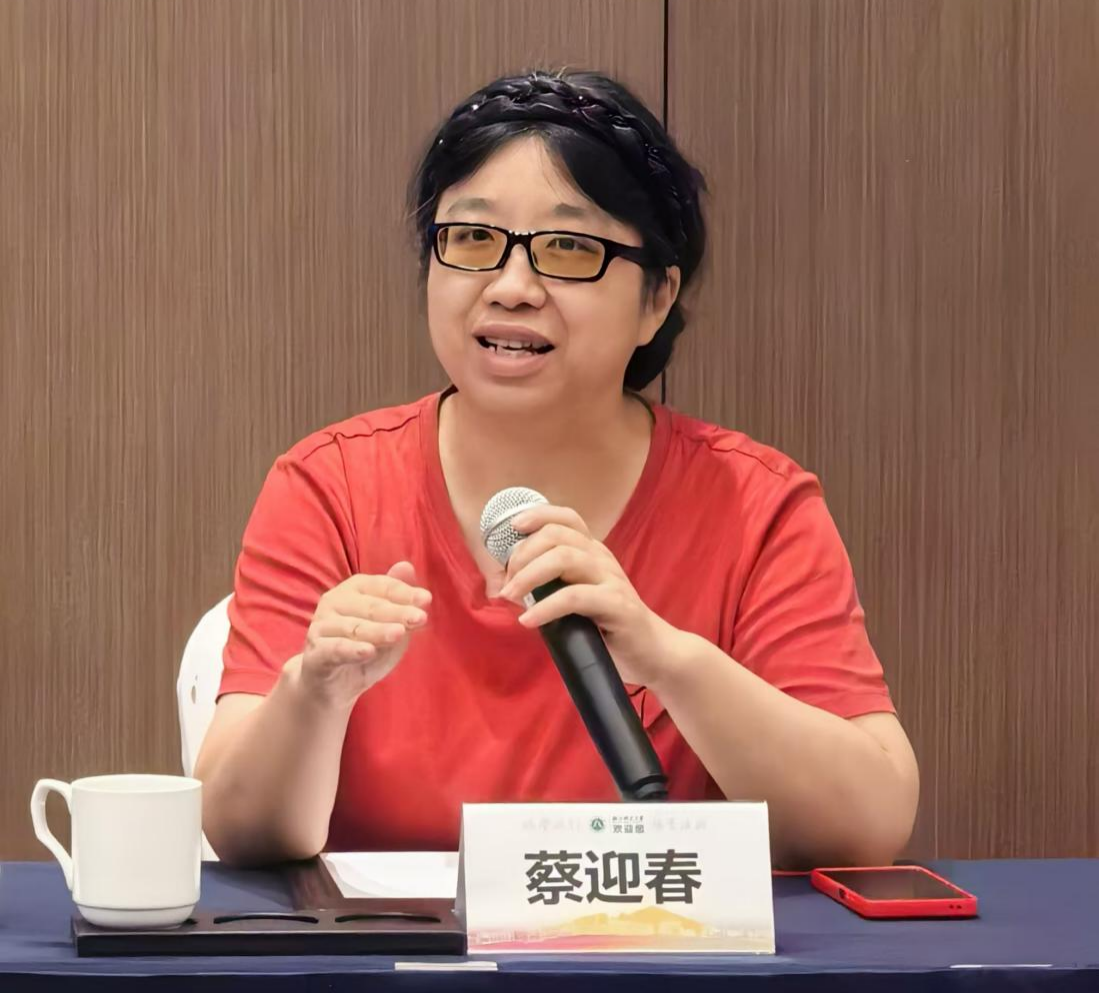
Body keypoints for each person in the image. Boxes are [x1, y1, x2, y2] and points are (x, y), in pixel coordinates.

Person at [195, 69, 919, 869]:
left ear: (656, 299)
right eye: (472, 239)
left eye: (569, 249)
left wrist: (666, 658)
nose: (511, 287)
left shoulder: (755, 505)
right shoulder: (328, 487)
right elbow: (237, 830)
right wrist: (314, 693)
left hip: (654, 941)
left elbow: (866, 828)